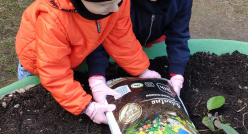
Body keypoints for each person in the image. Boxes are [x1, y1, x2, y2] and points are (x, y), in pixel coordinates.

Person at [15, 0, 161, 124]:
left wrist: (142, 70)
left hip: (72, 58)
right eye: (105, 5)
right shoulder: (52, 20)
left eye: (119, 2)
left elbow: (121, 37)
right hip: (37, 67)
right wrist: (86, 107)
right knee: (34, 109)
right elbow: (54, 72)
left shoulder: (113, 2)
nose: (115, 8)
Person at [87, 0, 193, 96]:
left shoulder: (181, 2)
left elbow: (178, 34)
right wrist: (97, 75)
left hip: (153, 39)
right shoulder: (116, 2)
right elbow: (102, 34)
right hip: (122, 40)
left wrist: (177, 73)